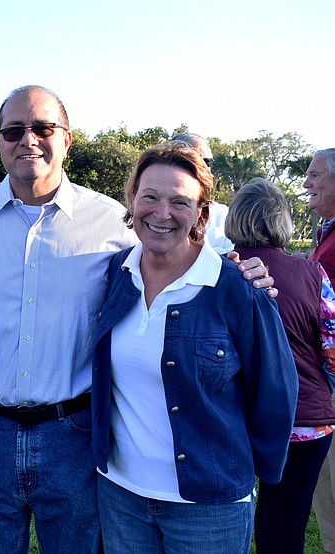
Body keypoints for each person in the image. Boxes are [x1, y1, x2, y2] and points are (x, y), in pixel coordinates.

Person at [0, 85, 275, 554]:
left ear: (68, 139)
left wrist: (242, 270)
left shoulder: (111, 223)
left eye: (42, 128)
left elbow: (176, 253)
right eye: (13, 130)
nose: (28, 140)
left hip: (74, 436)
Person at [92, 144, 297, 554]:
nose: (162, 213)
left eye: (180, 201)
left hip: (209, 504)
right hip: (121, 493)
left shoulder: (237, 287)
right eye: (149, 196)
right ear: (132, 200)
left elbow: (276, 390)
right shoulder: (116, 272)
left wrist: (241, 472)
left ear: (201, 213)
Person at [224, 177, 335, 553]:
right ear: (282, 221)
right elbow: (332, 348)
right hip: (304, 422)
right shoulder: (313, 275)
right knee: (285, 525)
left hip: (234, 419)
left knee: (225, 517)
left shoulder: (215, 274)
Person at [306, 148, 335, 553]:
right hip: (323, 382)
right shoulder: (325, 232)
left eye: (314, 175)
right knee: (325, 491)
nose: (306, 182)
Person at [171, 132, 233, 253]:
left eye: (207, 162)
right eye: (192, 160)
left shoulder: (224, 215)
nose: (201, 167)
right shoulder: (152, 215)